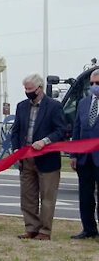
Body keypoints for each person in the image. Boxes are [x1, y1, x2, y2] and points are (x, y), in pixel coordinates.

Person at [11, 73, 66, 241]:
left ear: (40, 88)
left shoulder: (54, 106)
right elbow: (16, 131)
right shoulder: (21, 106)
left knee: (47, 197)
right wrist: (16, 150)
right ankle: (31, 228)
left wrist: (45, 141)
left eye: (30, 89)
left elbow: (61, 130)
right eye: (25, 89)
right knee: (27, 196)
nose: (27, 92)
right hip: (26, 158)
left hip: (47, 159)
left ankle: (45, 231)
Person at [70, 69, 99, 239]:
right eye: (92, 84)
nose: (94, 86)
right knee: (85, 196)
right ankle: (88, 229)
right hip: (84, 158)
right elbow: (77, 129)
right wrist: (73, 154)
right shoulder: (83, 103)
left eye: (98, 84)